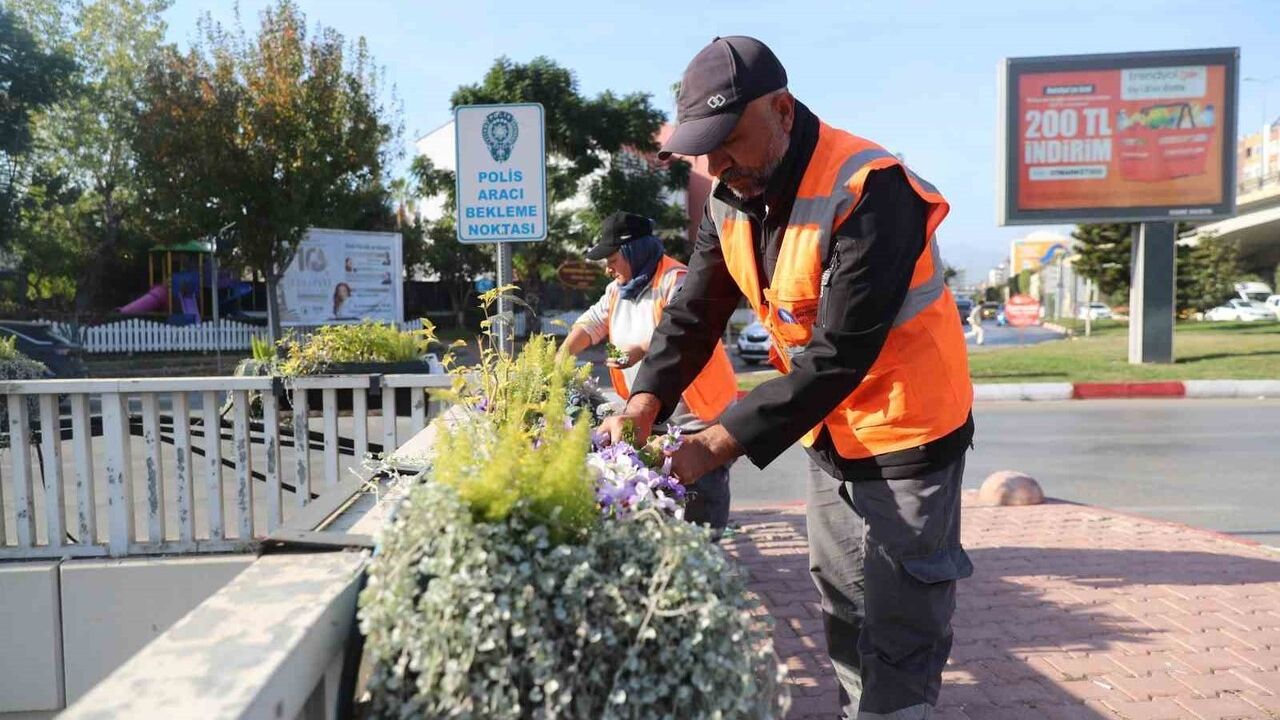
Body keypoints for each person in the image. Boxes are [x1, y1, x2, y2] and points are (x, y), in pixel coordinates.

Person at [596, 37, 975, 719]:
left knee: (901, 623)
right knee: (845, 605)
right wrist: (645, 402)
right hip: (827, 435)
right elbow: (695, 312)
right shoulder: (731, 194)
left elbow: (838, 354)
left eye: (729, 140)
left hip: (908, 430)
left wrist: (713, 446)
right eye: (703, 150)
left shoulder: (870, 188)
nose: (716, 164)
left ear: (782, 110)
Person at [559, 211, 738, 535]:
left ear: (633, 252)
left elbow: (681, 331)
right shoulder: (618, 290)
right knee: (663, 504)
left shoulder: (676, 279)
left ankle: (707, 560)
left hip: (697, 416)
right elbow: (592, 322)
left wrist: (641, 349)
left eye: (612, 258)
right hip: (649, 416)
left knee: (701, 498)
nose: (607, 268)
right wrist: (561, 356)